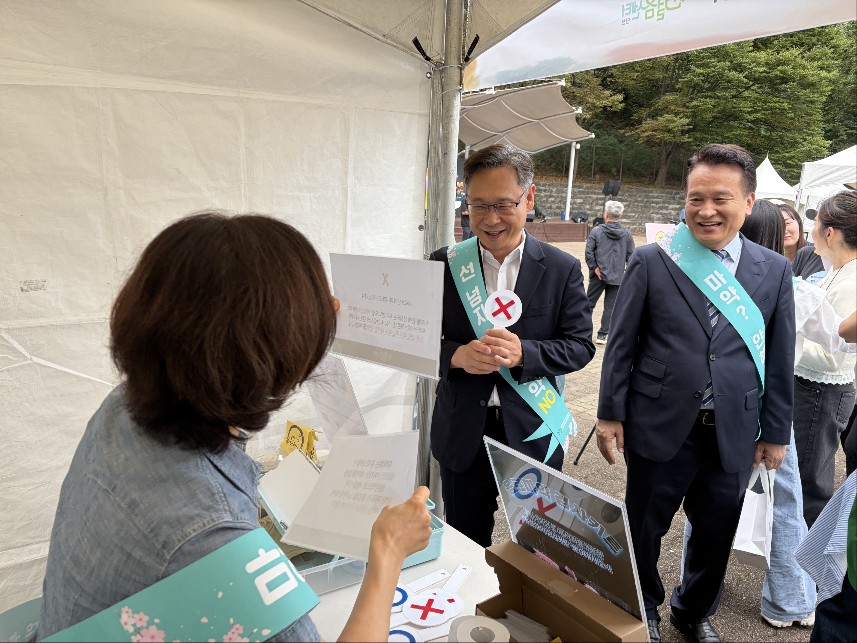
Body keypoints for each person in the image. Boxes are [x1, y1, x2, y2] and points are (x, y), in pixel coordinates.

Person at [37, 212, 432, 642]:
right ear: (267, 356)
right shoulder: (215, 541)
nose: (334, 308)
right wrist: (388, 552)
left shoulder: (122, 408)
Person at [596, 144, 795, 643]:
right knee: (643, 528)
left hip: (733, 430)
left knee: (716, 532)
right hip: (659, 424)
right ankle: (644, 610)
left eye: (721, 198)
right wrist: (609, 414)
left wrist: (775, 432)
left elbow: (779, 356)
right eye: (695, 198)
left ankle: (692, 610)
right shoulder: (651, 261)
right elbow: (621, 346)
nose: (706, 210)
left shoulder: (773, 270)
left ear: (749, 202)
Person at [681, 198, 855, 629]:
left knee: (704, 506)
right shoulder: (799, 288)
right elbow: (839, 344)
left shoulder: (699, 281)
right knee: (786, 504)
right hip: (774, 415)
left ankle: (698, 599)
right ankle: (789, 601)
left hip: (714, 410)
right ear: (778, 238)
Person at [429, 143, 595, 547]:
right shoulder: (442, 263)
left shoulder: (561, 268)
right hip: (463, 427)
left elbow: (579, 346)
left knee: (540, 546)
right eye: (477, 205)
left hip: (535, 426)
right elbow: (414, 340)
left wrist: (526, 354)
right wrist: (456, 355)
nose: (489, 220)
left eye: (504, 205)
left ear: (530, 197)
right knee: (464, 541)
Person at [793, 190, 857, 528]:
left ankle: (808, 574)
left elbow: (837, 353)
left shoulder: (852, 279)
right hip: (813, 388)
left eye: (814, 225)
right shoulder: (838, 270)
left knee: (809, 483)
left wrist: (790, 337)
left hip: (821, 391)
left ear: (829, 232)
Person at [584, 200, 635, 345]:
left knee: (588, 304)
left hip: (598, 275)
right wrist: (625, 272)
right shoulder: (627, 234)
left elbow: (588, 252)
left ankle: (584, 333)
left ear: (606, 214)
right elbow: (632, 256)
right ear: (620, 215)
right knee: (611, 307)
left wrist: (595, 268)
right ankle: (602, 335)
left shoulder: (597, 231)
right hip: (618, 276)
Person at [779, 202, 824, 279]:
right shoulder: (769, 258)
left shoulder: (816, 255)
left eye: (787, 223)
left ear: (799, 223)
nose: (783, 230)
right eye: (777, 225)